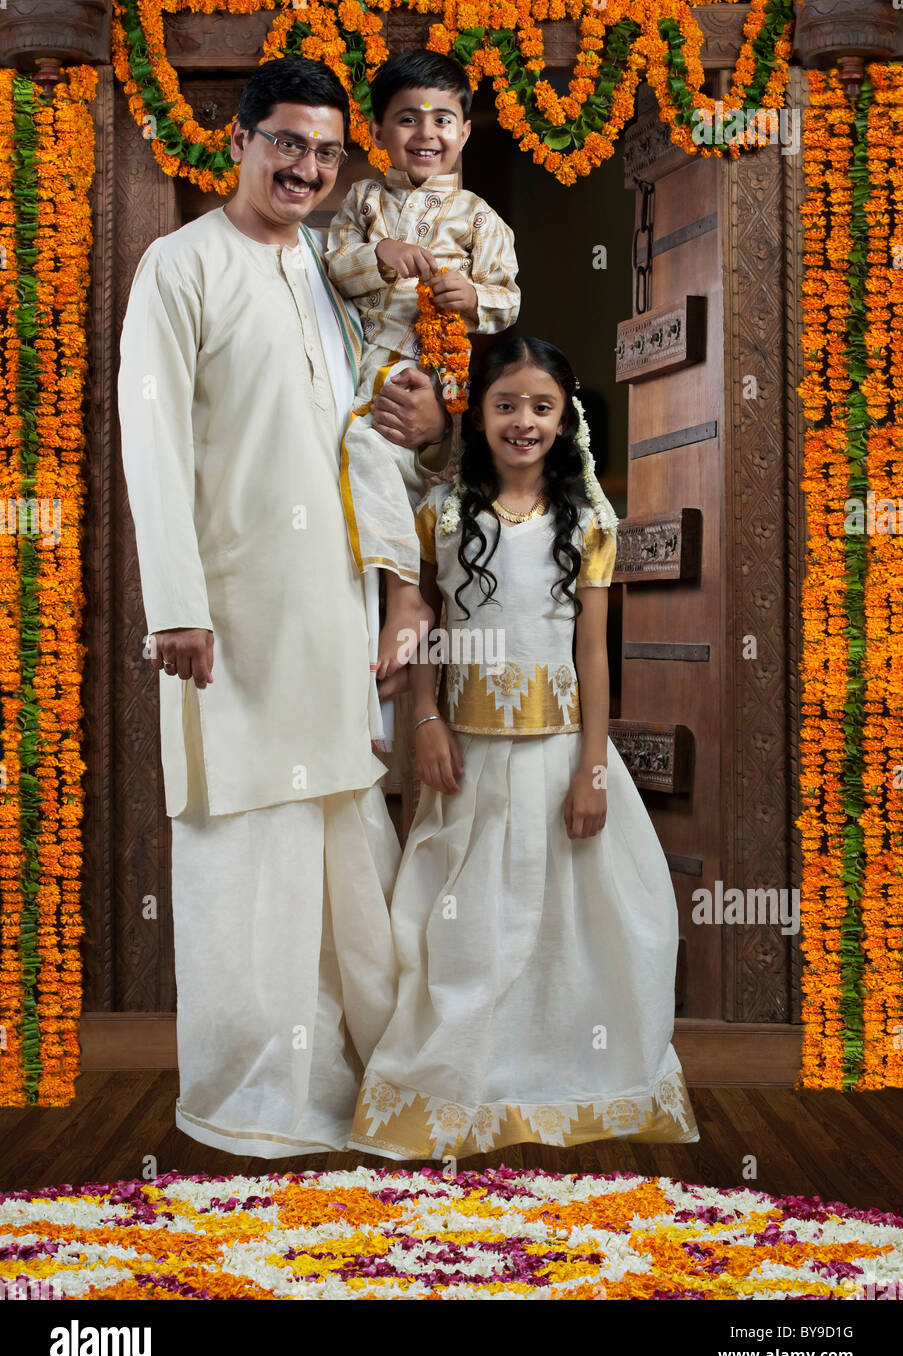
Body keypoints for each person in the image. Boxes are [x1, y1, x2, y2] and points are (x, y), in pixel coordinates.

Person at [117, 57, 451, 1159]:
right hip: (231, 619)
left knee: (346, 832)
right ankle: (253, 1094)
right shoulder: (180, 267)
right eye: (287, 143)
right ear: (242, 142)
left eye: (324, 150)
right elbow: (152, 438)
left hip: (335, 613)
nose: (307, 166)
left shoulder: (329, 277)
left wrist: (402, 592)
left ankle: (362, 1079)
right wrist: (177, 603)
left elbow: (366, 443)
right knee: (244, 836)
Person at [349, 337, 700, 1159]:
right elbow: (425, 625)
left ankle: (566, 1077)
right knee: (466, 926)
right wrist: (426, 724)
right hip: (467, 757)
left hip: (558, 755)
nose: (523, 421)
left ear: (563, 417)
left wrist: (591, 770)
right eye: (506, 404)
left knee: (581, 924)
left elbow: (590, 653)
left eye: (542, 406)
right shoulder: (442, 511)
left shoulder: (586, 520)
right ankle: (462, 1080)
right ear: (479, 412)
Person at [324, 49, 520, 725]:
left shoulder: (476, 216)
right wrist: (376, 257)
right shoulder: (361, 201)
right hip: (360, 368)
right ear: (374, 132)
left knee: (380, 456)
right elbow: (330, 265)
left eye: (442, 118)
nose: (425, 133)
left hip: (432, 378)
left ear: (465, 131)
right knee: (357, 468)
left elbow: (507, 299)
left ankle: (406, 597)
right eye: (406, 119)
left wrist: (472, 296)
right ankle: (371, 690)